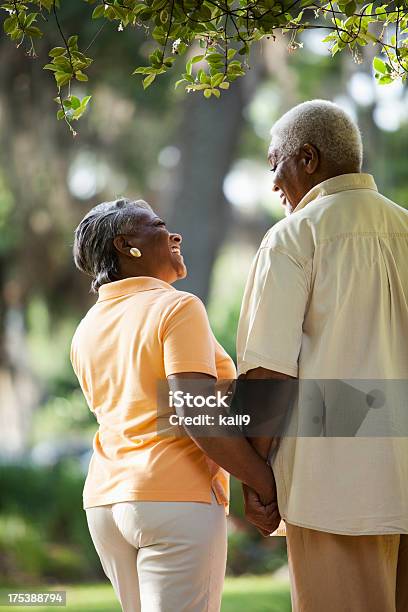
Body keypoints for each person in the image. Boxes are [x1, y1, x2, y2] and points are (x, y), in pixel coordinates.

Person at [237, 99, 408, 611]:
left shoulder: (293, 237)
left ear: (307, 159)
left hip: (335, 492)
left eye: (275, 165)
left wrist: (254, 476)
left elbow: (268, 374)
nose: (272, 184)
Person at [70, 198, 277, 612]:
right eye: (159, 225)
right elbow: (196, 414)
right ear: (127, 245)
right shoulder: (178, 306)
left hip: (106, 505)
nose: (174, 234)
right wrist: (263, 483)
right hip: (173, 501)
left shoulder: (87, 327)